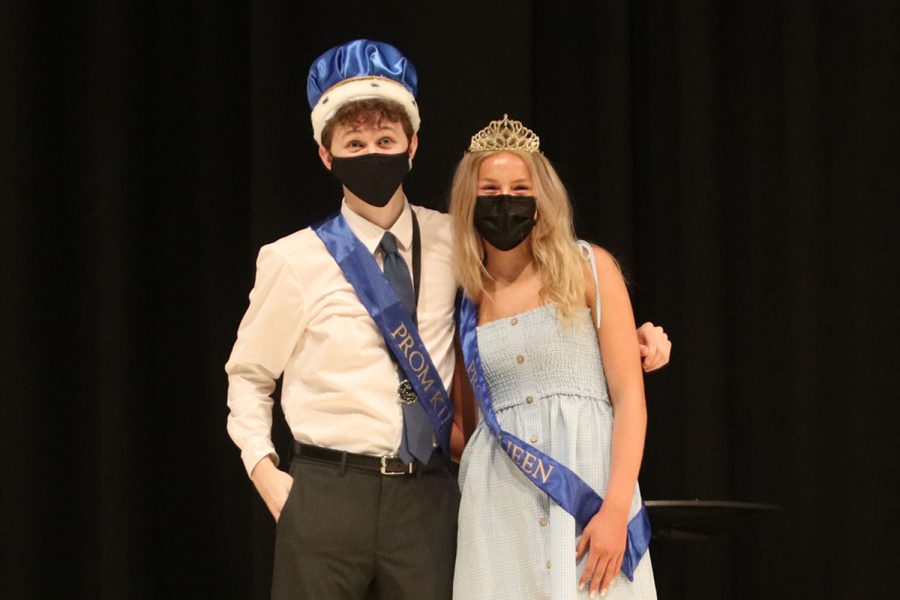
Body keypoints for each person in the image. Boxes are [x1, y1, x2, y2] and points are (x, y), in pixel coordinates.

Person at [225, 40, 669, 600]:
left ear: (412, 146)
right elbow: (248, 376)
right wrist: (268, 475)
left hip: (427, 498)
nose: (372, 154)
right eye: (354, 143)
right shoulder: (292, 259)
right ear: (325, 153)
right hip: (328, 492)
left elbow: (536, 319)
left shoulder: (454, 243)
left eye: (386, 140)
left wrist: (632, 342)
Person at [450, 115, 658, 599]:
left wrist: (615, 509)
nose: (506, 201)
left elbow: (630, 399)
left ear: (542, 197)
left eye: (520, 187)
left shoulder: (589, 266)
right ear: (469, 200)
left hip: (587, 499)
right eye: (491, 188)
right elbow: (467, 425)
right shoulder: (468, 299)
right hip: (499, 507)